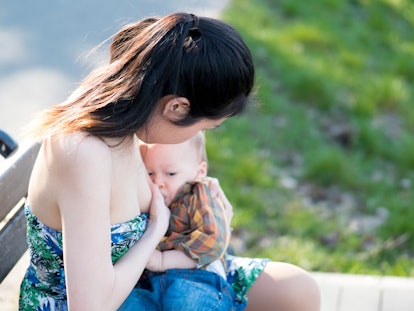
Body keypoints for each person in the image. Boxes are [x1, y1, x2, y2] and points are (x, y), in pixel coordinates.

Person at [18, 12, 320, 311]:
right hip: (99, 300)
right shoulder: (84, 152)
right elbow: (90, 305)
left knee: (295, 289)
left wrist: (208, 216)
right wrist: (155, 232)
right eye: (202, 127)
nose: (199, 135)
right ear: (176, 107)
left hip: (145, 282)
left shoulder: (128, 117)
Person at [118, 131, 235, 310]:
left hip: (199, 279)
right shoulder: (145, 200)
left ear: (199, 171)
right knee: (130, 304)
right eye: (149, 173)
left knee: (186, 300)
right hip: (152, 285)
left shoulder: (199, 193)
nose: (158, 182)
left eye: (171, 173)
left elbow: (212, 241)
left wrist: (164, 260)